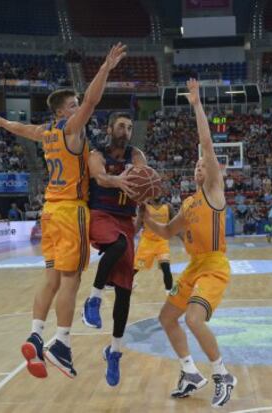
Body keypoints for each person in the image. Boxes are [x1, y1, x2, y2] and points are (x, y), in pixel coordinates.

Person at [0, 43, 127, 379]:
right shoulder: (71, 129)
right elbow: (93, 100)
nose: (78, 109)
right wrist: (105, 67)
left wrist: (2, 121)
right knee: (71, 280)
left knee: (52, 278)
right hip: (71, 211)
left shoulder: (46, 133)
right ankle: (61, 343)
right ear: (62, 111)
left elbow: (22, 129)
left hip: (49, 211)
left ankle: (35, 332)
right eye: (72, 106)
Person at [143, 79, 237, 408]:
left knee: (194, 320)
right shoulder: (187, 203)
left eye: (204, 164)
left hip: (214, 266)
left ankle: (223, 374)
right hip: (194, 268)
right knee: (167, 318)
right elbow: (166, 231)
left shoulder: (214, 193)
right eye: (196, 165)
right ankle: (189, 372)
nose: (200, 165)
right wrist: (142, 214)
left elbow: (206, 144)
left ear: (211, 171)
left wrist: (196, 104)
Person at [82, 112, 146, 386]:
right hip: (101, 214)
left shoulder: (136, 155)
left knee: (125, 292)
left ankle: (114, 351)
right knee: (118, 244)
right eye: (121, 125)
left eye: (130, 126)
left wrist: (143, 216)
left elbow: (144, 179)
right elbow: (98, 177)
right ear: (109, 128)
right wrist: (119, 180)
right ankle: (93, 298)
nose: (126, 130)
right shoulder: (97, 153)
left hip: (126, 220)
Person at [134, 198, 175, 293]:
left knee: (166, 268)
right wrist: (129, 235)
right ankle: (125, 284)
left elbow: (176, 223)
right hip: (147, 243)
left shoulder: (168, 207)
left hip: (162, 242)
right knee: (135, 268)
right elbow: (138, 225)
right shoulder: (144, 207)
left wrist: (184, 237)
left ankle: (169, 292)